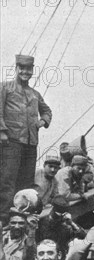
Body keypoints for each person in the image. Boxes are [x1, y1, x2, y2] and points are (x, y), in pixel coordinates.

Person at [0, 54, 53, 223]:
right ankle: (4, 219)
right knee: (8, 180)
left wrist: (42, 121)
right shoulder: (5, 88)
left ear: (32, 71)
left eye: (28, 69)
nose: (25, 72)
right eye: (21, 68)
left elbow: (47, 111)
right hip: (11, 142)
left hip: (31, 144)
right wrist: (2, 131)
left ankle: (21, 218)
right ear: (16, 69)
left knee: (26, 182)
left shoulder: (35, 94)